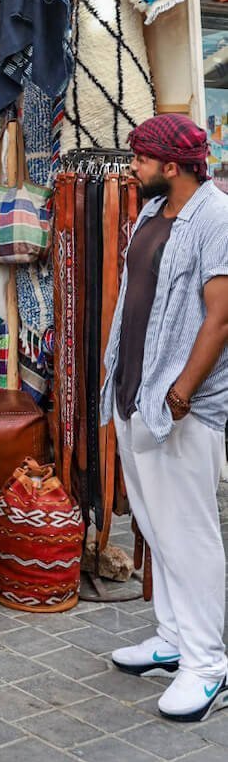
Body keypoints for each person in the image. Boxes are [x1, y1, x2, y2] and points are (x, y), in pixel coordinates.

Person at [101, 115, 228, 723]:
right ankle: (174, 638)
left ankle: (208, 665)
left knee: (190, 533)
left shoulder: (216, 218)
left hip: (180, 405)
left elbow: (221, 318)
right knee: (155, 525)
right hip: (135, 393)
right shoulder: (153, 215)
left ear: (171, 167)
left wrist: (180, 395)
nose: (131, 167)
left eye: (140, 159)